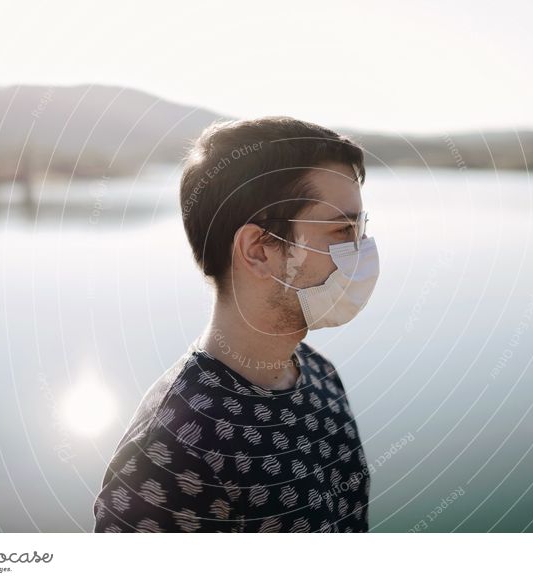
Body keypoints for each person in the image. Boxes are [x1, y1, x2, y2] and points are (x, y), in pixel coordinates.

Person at [93, 116, 380, 532]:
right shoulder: (171, 450)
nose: (363, 250)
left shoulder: (320, 375)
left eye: (361, 230)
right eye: (342, 230)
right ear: (259, 250)